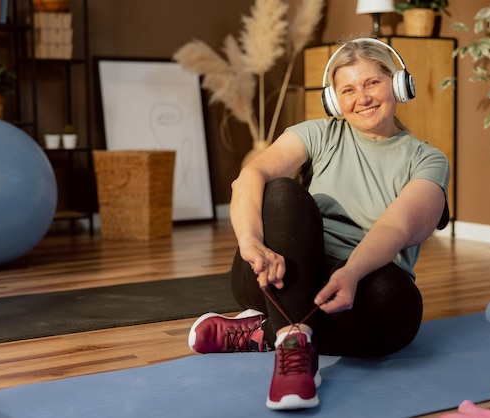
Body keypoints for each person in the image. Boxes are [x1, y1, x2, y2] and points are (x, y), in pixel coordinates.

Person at [187, 37, 450, 411]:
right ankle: (295, 353)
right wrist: (250, 243)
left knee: (400, 309)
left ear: (397, 83)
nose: (363, 97)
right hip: (283, 272)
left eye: (372, 83)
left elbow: (398, 227)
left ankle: (264, 333)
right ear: (334, 101)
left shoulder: (427, 159)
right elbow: (249, 176)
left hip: (361, 286)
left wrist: (353, 272)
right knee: (279, 191)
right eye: (348, 89)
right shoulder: (319, 134)